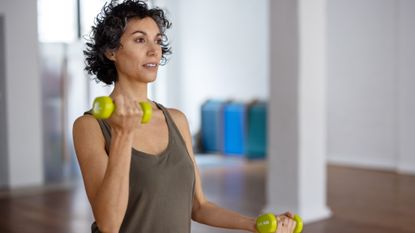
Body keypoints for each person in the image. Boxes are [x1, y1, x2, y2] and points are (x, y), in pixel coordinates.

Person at [72, 0, 297, 232]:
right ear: (111, 51)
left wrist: (256, 225)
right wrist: (122, 135)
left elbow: (199, 206)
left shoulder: (176, 120)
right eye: (140, 39)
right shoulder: (89, 126)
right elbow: (108, 224)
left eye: (158, 40)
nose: (154, 49)